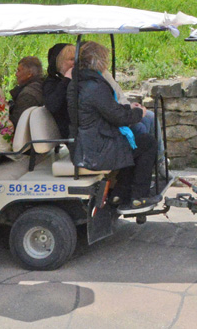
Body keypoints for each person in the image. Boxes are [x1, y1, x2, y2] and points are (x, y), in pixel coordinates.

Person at [67, 41, 161, 215]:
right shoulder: (94, 86)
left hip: (90, 144)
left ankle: (120, 193)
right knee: (147, 143)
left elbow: (110, 110)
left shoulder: (80, 82)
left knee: (130, 143)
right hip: (96, 150)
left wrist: (130, 109)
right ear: (97, 61)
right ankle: (139, 196)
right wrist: (139, 113)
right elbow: (119, 117)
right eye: (105, 59)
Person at [43, 43, 75, 138]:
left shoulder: (76, 80)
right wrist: (66, 80)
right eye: (71, 59)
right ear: (60, 62)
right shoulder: (51, 82)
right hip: (69, 131)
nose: (76, 63)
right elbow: (53, 106)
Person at [8, 56, 44, 127]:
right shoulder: (40, 87)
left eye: (19, 71)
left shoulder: (28, 94)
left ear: (29, 74)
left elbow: (16, 123)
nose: (16, 74)